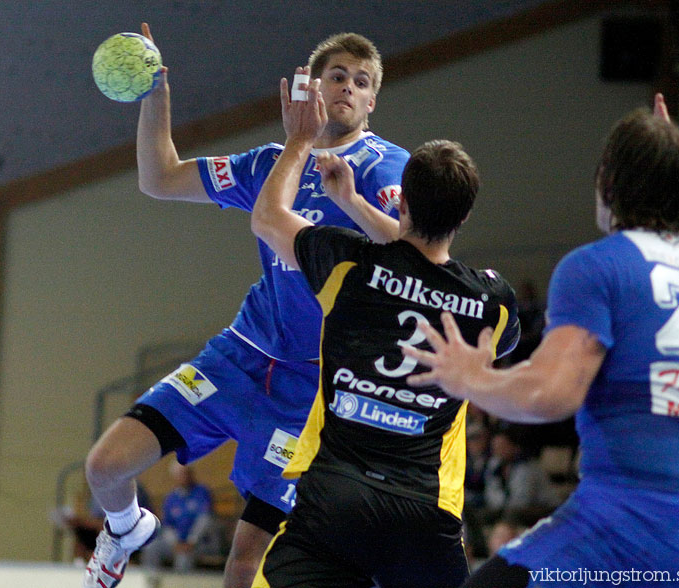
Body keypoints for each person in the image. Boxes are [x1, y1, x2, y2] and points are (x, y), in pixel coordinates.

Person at [83, 25, 410, 588]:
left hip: (309, 391)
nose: (348, 89)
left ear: (373, 100)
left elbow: (409, 254)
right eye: (337, 76)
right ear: (309, 87)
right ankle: (124, 530)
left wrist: (350, 203)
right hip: (238, 357)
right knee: (104, 467)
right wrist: (155, 96)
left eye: (361, 82)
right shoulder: (271, 162)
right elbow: (159, 178)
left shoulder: (386, 165)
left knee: (244, 566)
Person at [403, 93, 679, 587]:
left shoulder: (599, 267)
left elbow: (550, 393)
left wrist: (473, 377)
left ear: (607, 184)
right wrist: (665, 154)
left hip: (623, 535)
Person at [248, 72, 520, 588]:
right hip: (424, 517)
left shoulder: (346, 265)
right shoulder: (492, 302)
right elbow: (427, 265)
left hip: (334, 502)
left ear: (401, 202)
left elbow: (267, 217)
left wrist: (301, 139)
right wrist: (357, 205)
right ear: (464, 217)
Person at [141, 463, 223, 572]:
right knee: (151, 548)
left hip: (199, 543)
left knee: (183, 556)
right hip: (177, 542)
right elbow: (167, 526)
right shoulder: (171, 498)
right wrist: (175, 543)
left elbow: (205, 520)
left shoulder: (202, 493)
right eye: (180, 474)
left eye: (186, 473)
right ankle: (152, 581)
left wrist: (191, 541)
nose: (184, 477)